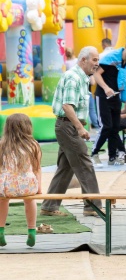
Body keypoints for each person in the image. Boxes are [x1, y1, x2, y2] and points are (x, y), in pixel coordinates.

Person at [41, 46, 103, 217]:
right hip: (68, 126)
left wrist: (81, 125)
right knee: (84, 162)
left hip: (69, 126)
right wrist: (80, 127)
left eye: (97, 60)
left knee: (66, 168)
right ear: (83, 60)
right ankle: (93, 206)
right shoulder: (74, 78)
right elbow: (67, 106)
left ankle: (49, 206)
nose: (97, 64)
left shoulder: (82, 78)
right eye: (94, 60)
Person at [90, 41, 126, 166]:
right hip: (103, 96)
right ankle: (94, 153)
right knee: (106, 126)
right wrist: (106, 88)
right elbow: (96, 74)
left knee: (115, 127)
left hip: (117, 97)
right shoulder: (111, 58)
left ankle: (112, 157)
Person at [0, 113, 43, 247]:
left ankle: (1, 231)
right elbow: (37, 169)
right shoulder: (33, 145)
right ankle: (31, 230)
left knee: (2, 200)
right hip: (28, 185)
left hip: (7, 186)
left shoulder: (2, 144)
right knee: (30, 200)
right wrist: (39, 189)